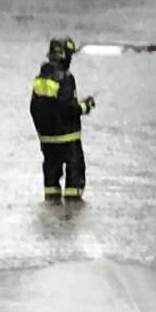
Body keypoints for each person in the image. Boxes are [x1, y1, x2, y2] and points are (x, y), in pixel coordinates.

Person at [30, 37, 96, 200]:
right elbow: (68, 109)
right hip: (68, 139)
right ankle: (71, 215)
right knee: (75, 177)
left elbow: (34, 107)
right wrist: (85, 107)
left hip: (47, 140)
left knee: (51, 178)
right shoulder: (66, 78)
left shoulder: (40, 78)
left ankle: (52, 208)